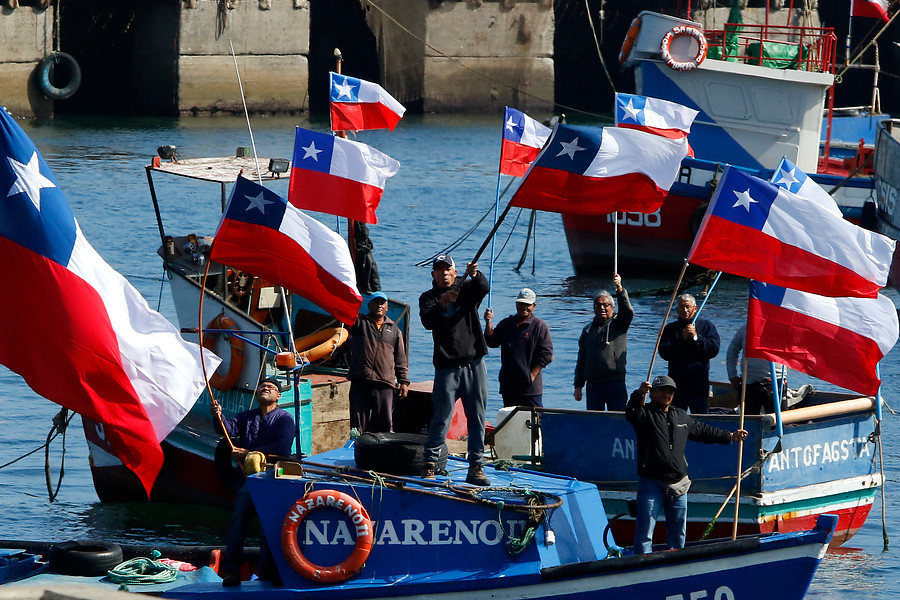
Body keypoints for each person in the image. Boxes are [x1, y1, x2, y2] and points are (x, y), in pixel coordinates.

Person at [626, 375, 748, 554]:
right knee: (645, 532)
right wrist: (638, 394)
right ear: (652, 393)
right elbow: (631, 411)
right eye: (662, 390)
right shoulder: (644, 415)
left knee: (678, 533)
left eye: (670, 391)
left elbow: (704, 431)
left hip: (679, 484)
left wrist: (730, 436)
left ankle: (676, 564)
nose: (667, 394)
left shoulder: (681, 415)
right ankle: (642, 564)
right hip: (651, 483)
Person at [211, 376, 295, 586]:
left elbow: (283, 448)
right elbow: (226, 430)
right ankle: (232, 571)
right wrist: (218, 415)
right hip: (249, 483)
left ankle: (267, 573)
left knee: (269, 527)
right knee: (238, 521)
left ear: (278, 395)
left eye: (270, 387)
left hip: (273, 483)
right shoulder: (247, 417)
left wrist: (248, 452)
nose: (265, 388)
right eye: (262, 386)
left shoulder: (284, 419)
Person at [419, 254, 491, 486]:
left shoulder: (466, 289)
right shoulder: (428, 298)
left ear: (455, 272)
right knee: (441, 418)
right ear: (433, 274)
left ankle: (476, 466)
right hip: (446, 368)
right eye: (439, 270)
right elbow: (427, 321)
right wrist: (442, 302)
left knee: (477, 418)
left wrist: (475, 274)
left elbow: (483, 287)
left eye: (447, 269)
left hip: (474, 364)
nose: (444, 274)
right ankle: (430, 463)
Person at [347, 291, 410, 433]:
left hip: (384, 383)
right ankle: (358, 446)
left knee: (384, 425)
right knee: (358, 427)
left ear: (387, 307)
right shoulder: (359, 322)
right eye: (376, 302)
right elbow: (345, 312)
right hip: (360, 381)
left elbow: (400, 359)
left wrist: (404, 382)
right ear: (369, 305)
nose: (379, 305)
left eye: (382, 303)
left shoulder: (394, 330)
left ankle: (382, 447)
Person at [483, 288, 553, 408]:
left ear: (534, 306)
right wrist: (488, 323)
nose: (524, 307)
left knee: (535, 417)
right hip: (509, 387)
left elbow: (547, 355)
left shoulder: (539, 326)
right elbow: (492, 342)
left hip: (531, 389)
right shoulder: (506, 323)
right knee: (510, 417)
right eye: (521, 304)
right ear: (516, 304)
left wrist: (532, 375)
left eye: (528, 305)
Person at [573, 274, 634, 410]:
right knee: (594, 420)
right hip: (593, 385)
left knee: (617, 418)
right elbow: (581, 359)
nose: (602, 308)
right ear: (594, 308)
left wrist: (620, 290)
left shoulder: (620, 324)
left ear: (612, 307)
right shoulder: (587, 330)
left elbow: (627, 311)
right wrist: (578, 385)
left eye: (605, 305)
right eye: (598, 305)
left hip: (615, 383)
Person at [658, 293, 720, 414]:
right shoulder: (670, 328)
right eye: (681, 307)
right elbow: (664, 353)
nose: (685, 310)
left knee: (700, 419)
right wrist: (681, 339)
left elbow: (713, 350)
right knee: (675, 419)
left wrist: (696, 337)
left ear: (695, 308)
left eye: (688, 307)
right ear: (677, 310)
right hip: (677, 385)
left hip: (699, 385)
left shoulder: (707, 326)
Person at [726, 324, 786, 415]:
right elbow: (732, 351)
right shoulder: (746, 328)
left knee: (780, 419)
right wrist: (732, 376)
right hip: (749, 384)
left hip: (776, 382)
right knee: (748, 420)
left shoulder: (782, 328)